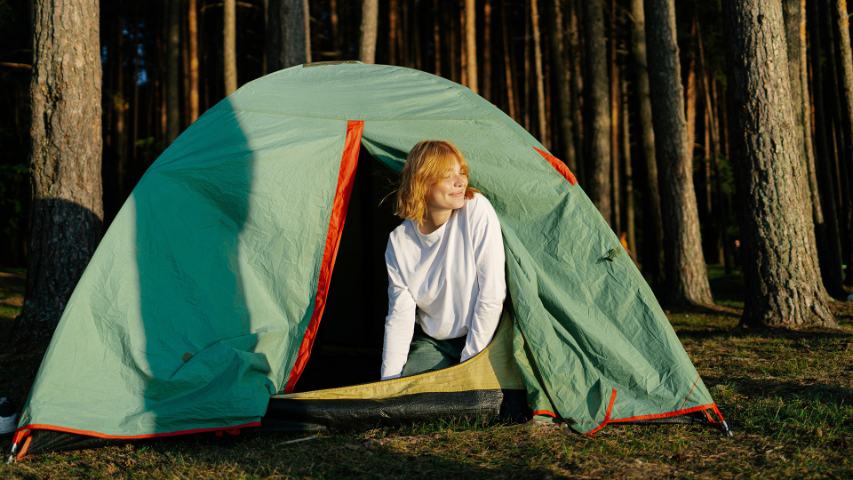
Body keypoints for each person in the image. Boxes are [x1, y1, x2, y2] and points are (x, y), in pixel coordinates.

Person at [380, 140, 506, 380]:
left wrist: (469, 366)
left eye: (462, 173)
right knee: (412, 395)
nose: (460, 182)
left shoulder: (476, 210)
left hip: (485, 337)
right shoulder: (399, 243)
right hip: (435, 342)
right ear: (423, 183)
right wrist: (388, 383)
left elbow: (492, 294)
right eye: (449, 176)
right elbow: (400, 316)